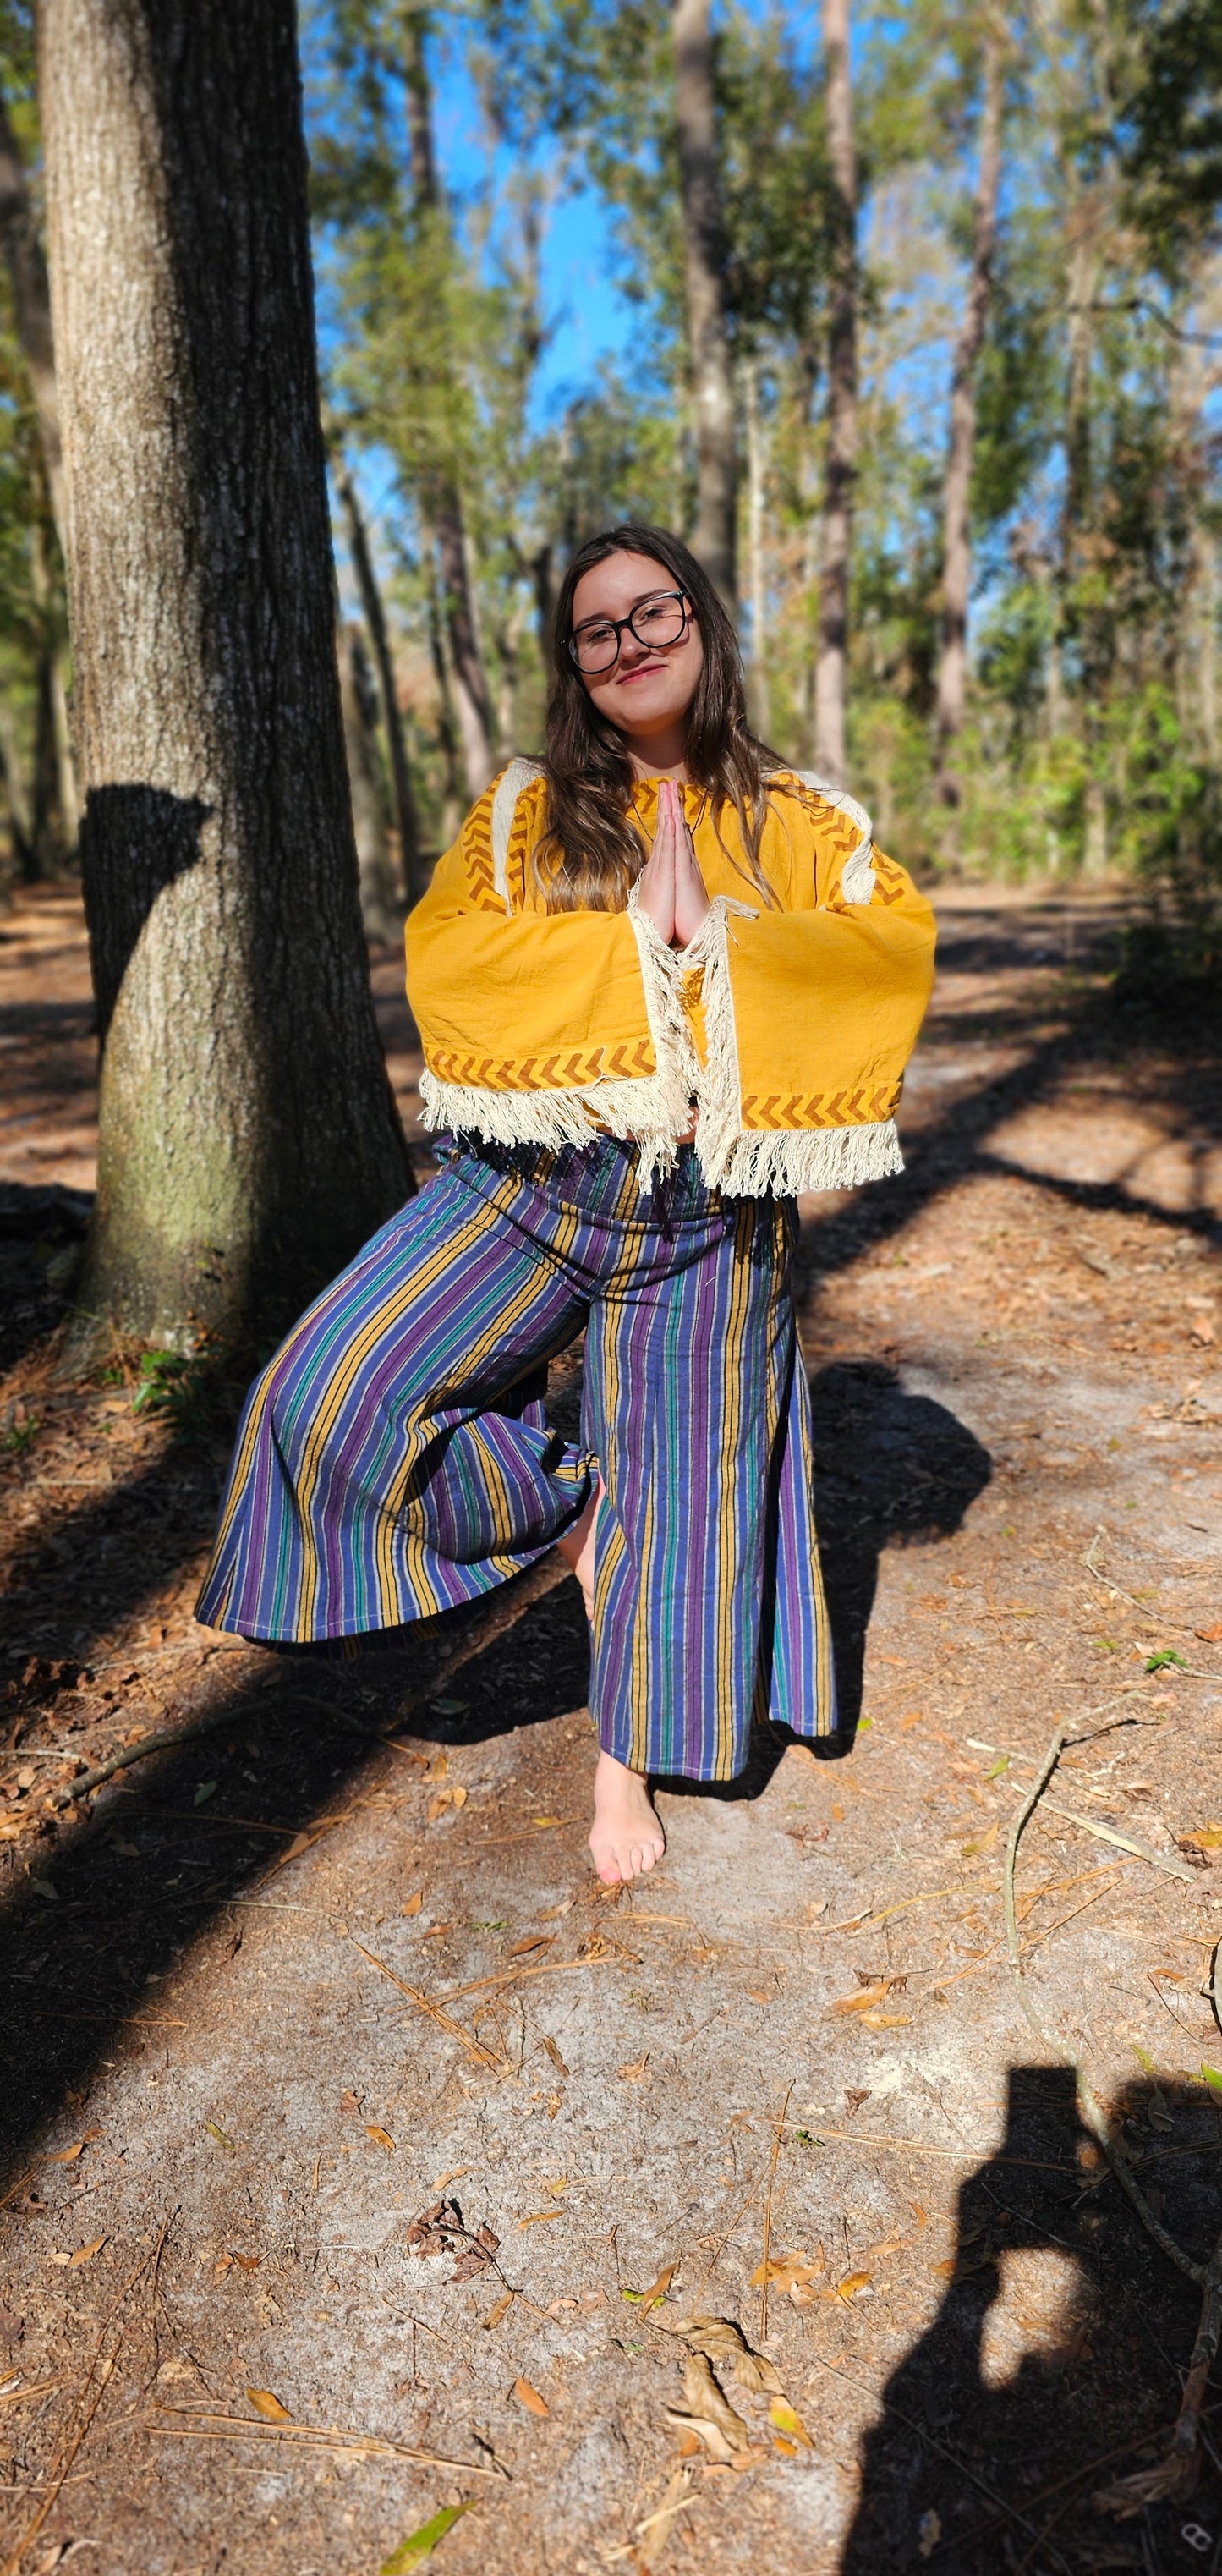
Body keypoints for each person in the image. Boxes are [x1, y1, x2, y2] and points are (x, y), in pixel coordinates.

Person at [196, 524, 935, 1885]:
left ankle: (621, 1770)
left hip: (708, 1216)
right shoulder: (526, 806)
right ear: (575, 665)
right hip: (530, 1184)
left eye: (654, 613)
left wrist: (721, 941)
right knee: (325, 1389)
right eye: (599, 630)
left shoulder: (805, 817)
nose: (632, 643)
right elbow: (452, 953)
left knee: (690, 1495)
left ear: (703, 625)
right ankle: (570, 1501)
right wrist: (622, 949)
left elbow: (887, 944)